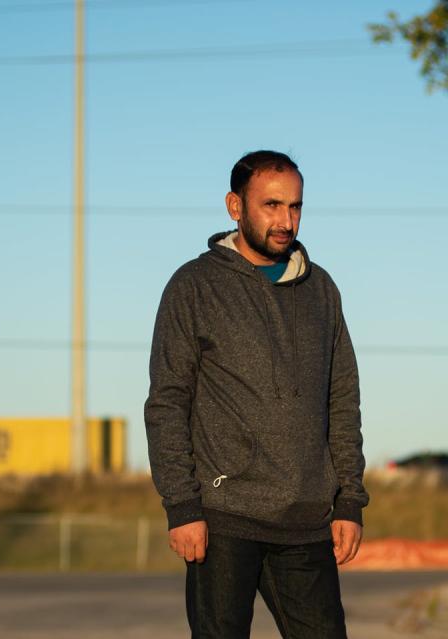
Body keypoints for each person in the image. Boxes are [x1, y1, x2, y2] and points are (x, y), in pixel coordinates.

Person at [145, 150, 369, 638]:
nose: (286, 221)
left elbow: (342, 398)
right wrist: (181, 507)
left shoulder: (321, 289)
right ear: (234, 206)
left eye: (295, 207)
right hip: (224, 518)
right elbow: (167, 401)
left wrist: (349, 499)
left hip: (307, 518)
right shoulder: (195, 286)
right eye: (271, 205)